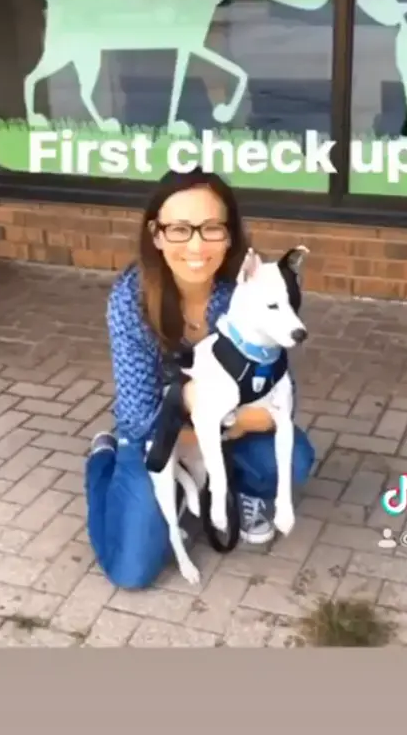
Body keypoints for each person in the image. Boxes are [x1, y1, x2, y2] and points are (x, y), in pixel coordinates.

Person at [85, 166, 315, 590]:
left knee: (295, 457)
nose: (195, 244)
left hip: (228, 422)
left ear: (230, 236)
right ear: (156, 234)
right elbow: (138, 418)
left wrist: (219, 427)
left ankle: (236, 491)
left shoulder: (249, 288)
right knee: (131, 571)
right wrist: (194, 429)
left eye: (211, 228)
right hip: (159, 433)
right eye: (179, 229)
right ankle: (102, 462)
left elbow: (280, 396)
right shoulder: (131, 299)